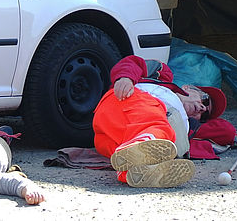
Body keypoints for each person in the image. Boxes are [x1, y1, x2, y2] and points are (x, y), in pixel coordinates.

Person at [92, 55, 226, 188]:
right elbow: (135, 62)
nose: (202, 108)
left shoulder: (190, 129)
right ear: (188, 88)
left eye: (204, 115)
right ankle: (143, 143)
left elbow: (227, 132)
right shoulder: (163, 76)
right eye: (205, 100)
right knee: (163, 131)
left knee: (129, 157)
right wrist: (125, 77)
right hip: (127, 101)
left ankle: (130, 172)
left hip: (110, 135)